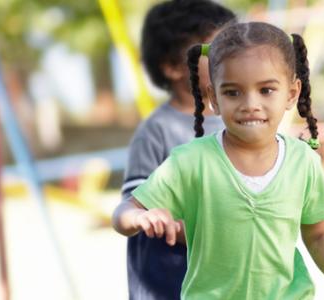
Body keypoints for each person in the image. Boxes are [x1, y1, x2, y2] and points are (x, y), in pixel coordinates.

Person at [113, 22, 324, 300]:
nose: (250, 104)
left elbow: (318, 234)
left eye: (266, 90)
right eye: (233, 92)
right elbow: (122, 214)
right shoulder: (191, 161)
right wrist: (140, 216)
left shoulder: (303, 161)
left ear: (292, 94)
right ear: (214, 98)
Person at [120, 1, 236, 298]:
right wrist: (143, 218)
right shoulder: (157, 131)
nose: (232, 57)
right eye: (215, 50)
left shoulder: (244, 120)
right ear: (172, 67)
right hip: (172, 280)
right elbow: (129, 208)